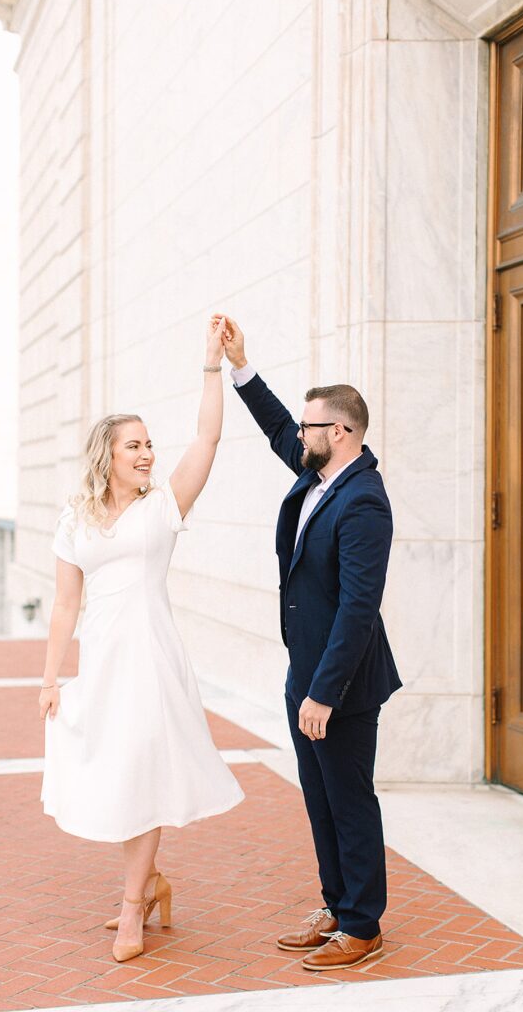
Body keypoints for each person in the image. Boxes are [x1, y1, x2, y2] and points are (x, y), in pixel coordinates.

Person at [38, 318, 244, 964]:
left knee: (145, 774)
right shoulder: (75, 519)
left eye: (149, 444)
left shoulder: (164, 507)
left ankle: (132, 908)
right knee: (116, 775)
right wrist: (49, 678)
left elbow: (206, 437)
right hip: (101, 666)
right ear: (108, 455)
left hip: (152, 661)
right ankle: (150, 884)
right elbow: (65, 602)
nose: (147, 453)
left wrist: (213, 365)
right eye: (134, 446)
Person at [216, 313, 402, 971]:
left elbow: (358, 608)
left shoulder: (363, 502)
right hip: (306, 670)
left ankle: (362, 927)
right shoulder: (319, 477)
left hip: (341, 682)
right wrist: (242, 365)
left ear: (342, 432)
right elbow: (273, 429)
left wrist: (323, 692)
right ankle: (336, 904)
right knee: (318, 797)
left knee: (348, 799)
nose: (299, 435)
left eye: (310, 426)